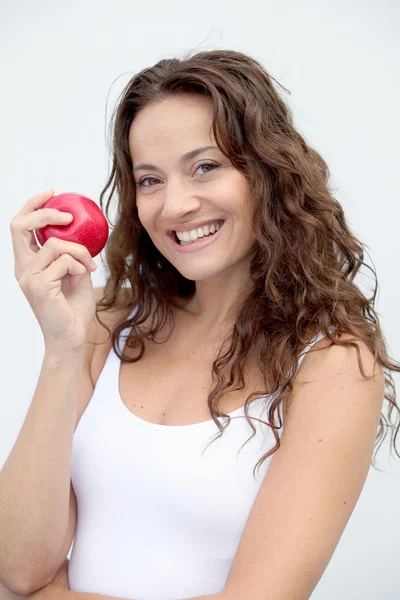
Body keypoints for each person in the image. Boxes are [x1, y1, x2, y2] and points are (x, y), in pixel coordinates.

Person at [2, 49, 399, 600]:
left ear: (267, 172)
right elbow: (18, 566)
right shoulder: (106, 322)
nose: (175, 205)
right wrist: (62, 349)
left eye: (205, 167)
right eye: (149, 180)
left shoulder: (332, 363)